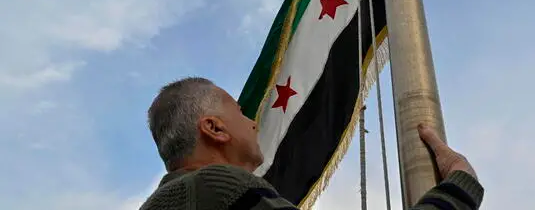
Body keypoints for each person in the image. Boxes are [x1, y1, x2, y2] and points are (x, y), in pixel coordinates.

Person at [140, 77, 484, 210]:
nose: (253, 122)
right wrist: (460, 185)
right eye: (241, 112)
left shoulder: (175, 200)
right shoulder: (217, 188)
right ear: (214, 129)